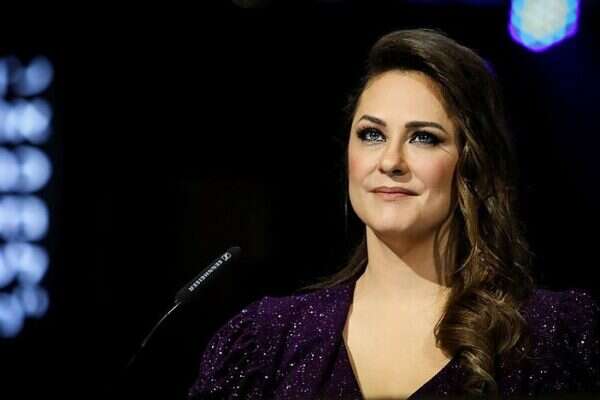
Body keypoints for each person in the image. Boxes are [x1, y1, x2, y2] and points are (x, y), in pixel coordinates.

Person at [187, 29, 600, 399]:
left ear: (472, 164)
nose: (390, 161)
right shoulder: (265, 343)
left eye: (423, 138)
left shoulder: (553, 336)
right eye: (372, 134)